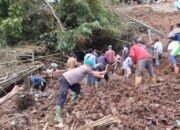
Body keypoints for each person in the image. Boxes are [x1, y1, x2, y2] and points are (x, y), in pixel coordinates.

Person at [55, 59, 105, 127]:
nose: (91, 67)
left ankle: (74, 101)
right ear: (88, 65)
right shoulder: (85, 68)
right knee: (63, 94)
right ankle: (57, 116)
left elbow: (93, 72)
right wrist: (101, 76)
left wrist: (102, 72)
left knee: (77, 87)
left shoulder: (84, 67)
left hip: (70, 81)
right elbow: (94, 74)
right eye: (91, 66)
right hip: (64, 79)